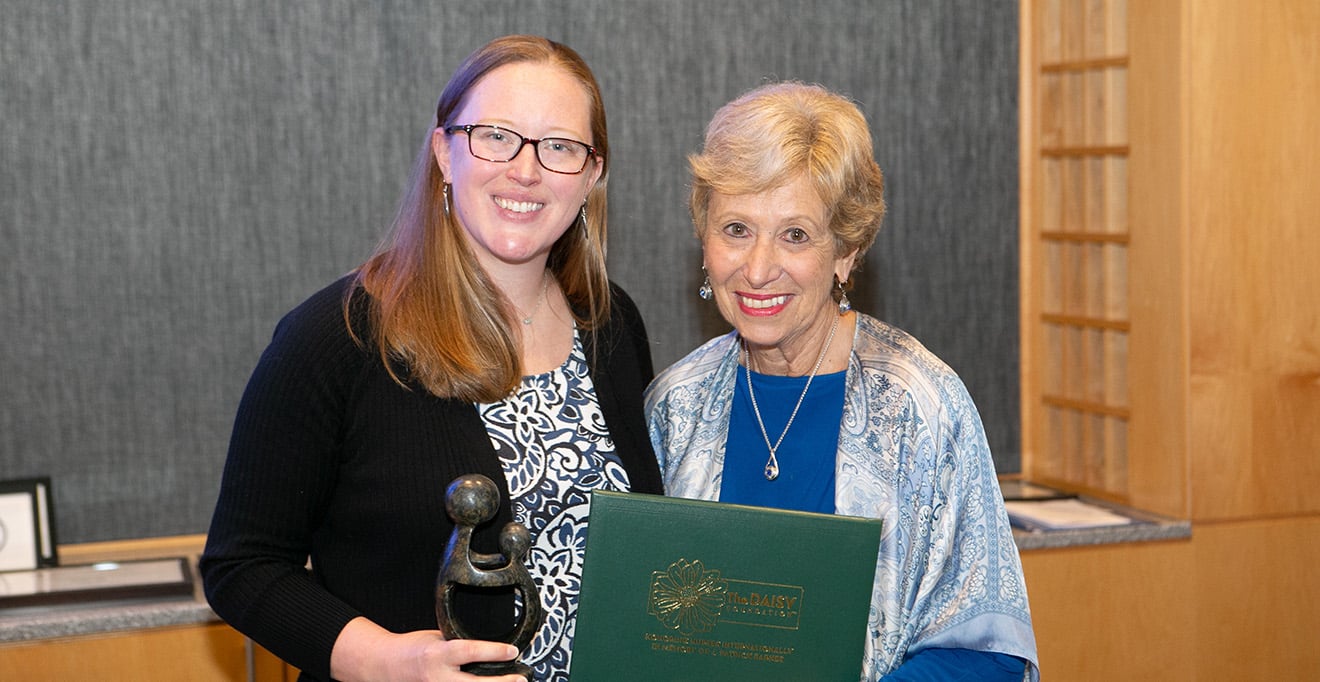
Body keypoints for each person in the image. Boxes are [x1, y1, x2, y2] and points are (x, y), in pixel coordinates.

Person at [200, 35, 663, 682]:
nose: (525, 171)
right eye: (495, 136)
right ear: (445, 152)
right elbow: (241, 567)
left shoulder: (611, 324)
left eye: (559, 147)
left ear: (591, 175)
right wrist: (393, 663)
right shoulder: (338, 340)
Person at [644, 82, 1038, 681]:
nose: (757, 268)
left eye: (795, 234)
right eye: (736, 229)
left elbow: (987, 652)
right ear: (704, 240)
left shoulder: (918, 404)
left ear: (846, 252)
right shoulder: (675, 405)